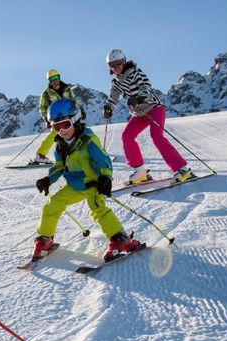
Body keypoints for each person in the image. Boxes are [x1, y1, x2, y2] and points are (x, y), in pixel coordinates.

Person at [33, 99, 145, 261]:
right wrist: (48, 179)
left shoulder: (88, 140)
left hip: (93, 182)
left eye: (65, 124)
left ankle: (120, 239)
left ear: (75, 120)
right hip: (75, 186)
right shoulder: (59, 145)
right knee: (53, 204)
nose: (62, 130)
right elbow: (59, 165)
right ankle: (45, 239)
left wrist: (106, 178)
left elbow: (104, 160)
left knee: (97, 207)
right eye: (56, 127)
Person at [102, 49, 193, 185]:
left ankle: (182, 169)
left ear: (124, 61)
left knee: (156, 136)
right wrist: (109, 107)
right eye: (112, 65)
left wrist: (138, 98)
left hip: (154, 108)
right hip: (139, 114)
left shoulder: (135, 72)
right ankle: (140, 172)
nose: (116, 68)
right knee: (127, 136)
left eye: (118, 63)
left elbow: (146, 87)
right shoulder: (116, 82)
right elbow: (113, 97)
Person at [31, 69, 86, 165]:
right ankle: (40, 154)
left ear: (59, 78)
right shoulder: (47, 93)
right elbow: (43, 107)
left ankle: (86, 150)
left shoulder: (67, 88)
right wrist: (46, 119)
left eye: (56, 78)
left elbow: (74, 99)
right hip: (57, 117)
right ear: (49, 81)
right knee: (55, 134)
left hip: (70, 115)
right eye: (52, 79)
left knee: (79, 130)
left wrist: (81, 110)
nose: (54, 81)